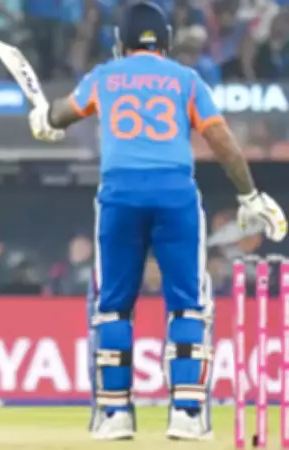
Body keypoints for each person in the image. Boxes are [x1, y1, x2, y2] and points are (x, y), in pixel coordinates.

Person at [26, 1, 287, 441]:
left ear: (121, 41)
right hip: (175, 194)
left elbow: (60, 114)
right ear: (164, 42)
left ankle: (115, 415)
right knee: (187, 303)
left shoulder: (105, 77)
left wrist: (44, 120)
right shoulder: (185, 79)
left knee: (113, 307)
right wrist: (248, 194)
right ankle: (186, 413)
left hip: (119, 194)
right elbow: (219, 136)